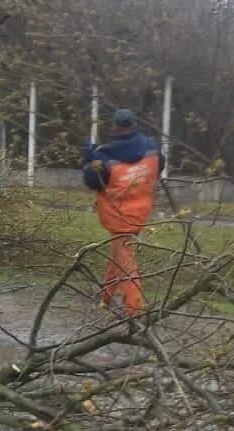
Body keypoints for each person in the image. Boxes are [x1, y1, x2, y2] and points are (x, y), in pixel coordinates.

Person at [82, 108, 162, 317]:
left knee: (126, 262)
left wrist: (88, 162)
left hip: (118, 214)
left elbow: (92, 182)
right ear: (134, 125)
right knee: (119, 253)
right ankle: (105, 298)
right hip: (141, 210)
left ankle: (134, 310)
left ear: (114, 127)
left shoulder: (104, 154)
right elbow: (159, 168)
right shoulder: (152, 147)